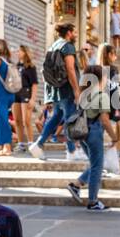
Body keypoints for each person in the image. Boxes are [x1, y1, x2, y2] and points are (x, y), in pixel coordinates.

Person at [67, 52, 120, 211]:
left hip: (82, 133)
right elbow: (104, 120)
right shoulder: (101, 95)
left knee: (95, 164)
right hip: (94, 131)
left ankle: (77, 185)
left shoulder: (83, 94)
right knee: (98, 166)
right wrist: (114, 137)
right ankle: (92, 200)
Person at [30, 24, 85, 162]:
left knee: (56, 117)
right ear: (69, 33)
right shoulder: (67, 46)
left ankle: (38, 144)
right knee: (70, 119)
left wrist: (48, 95)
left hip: (56, 89)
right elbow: (70, 69)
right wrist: (77, 90)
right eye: (75, 32)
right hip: (66, 88)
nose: (76, 35)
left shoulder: (53, 46)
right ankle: (72, 151)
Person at [11, 45, 39, 152]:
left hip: (26, 93)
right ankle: (21, 143)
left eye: (20, 51)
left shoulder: (31, 67)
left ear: (25, 52)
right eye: (17, 51)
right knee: (17, 120)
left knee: (26, 120)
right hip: (16, 93)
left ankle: (31, 143)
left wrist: (33, 99)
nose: (17, 53)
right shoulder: (16, 66)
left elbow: (35, 84)